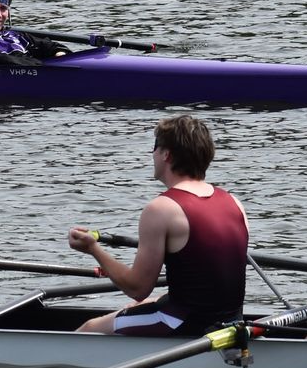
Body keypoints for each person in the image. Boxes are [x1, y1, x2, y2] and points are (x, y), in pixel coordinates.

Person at [67, 115, 250, 335]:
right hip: (232, 323)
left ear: (166, 154)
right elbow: (208, 283)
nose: (152, 154)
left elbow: (137, 288)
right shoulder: (233, 202)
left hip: (186, 324)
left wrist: (93, 249)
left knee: (90, 329)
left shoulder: (161, 209)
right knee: (142, 306)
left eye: (155, 148)